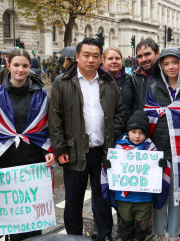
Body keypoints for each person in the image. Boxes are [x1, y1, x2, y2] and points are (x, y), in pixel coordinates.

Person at [48, 37, 125, 241]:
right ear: (77, 57)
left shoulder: (108, 82)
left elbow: (119, 112)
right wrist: (60, 149)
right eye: (86, 55)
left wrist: (113, 138)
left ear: (100, 58)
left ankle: (104, 234)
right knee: (73, 200)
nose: (91, 60)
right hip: (73, 151)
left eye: (96, 56)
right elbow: (54, 118)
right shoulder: (62, 82)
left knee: (102, 198)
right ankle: (73, 236)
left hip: (103, 150)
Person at [0, 49, 55, 241]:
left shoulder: (41, 95)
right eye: (16, 65)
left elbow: (48, 126)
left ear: (30, 67)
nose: (20, 70)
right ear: (8, 66)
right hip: (8, 165)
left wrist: (47, 149)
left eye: (24, 65)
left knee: (34, 220)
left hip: (35, 165)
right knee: (13, 222)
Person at [149, 47, 180, 241]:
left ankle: (174, 232)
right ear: (161, 66)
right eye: (166, 63)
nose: (170, 67)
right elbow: (149, 114)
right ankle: (160, 232)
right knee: (159, 193)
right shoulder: (154, 87)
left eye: (174, 62)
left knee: (178, 194)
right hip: (160, 149)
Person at [102, 110, 167, 241]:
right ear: (128, 132)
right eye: (134, 132)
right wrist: (107, 166)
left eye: (141, 133)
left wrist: (161, 165)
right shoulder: (119, 147)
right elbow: (111, 172)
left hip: (144, 199)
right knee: (125, 229)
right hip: (124, 199)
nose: (137, 136)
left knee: (141, 231)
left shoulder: (151, 148)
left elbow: (156, 173)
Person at [101, 46, 134, 123]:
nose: (114, 61)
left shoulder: (129, 79)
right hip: (108, 129)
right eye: (110, 59)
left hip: (128, 127)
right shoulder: (98, 81)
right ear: (103, 61)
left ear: (122, 60)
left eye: (117, 58)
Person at [131, 38, 160, 112]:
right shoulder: (132, 78)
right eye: (140, 56)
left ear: (157, 53)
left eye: (147, 54)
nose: (144, 59)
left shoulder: (168, 77)